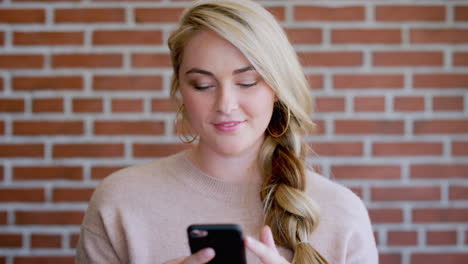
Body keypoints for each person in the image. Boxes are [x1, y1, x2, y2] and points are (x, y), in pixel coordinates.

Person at [75, 0, 378, 263]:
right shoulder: (120, 201)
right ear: (181, 89)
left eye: (247, 82)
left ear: (277, 88)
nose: (225, 104)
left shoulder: (341, 213)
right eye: (203, 85)